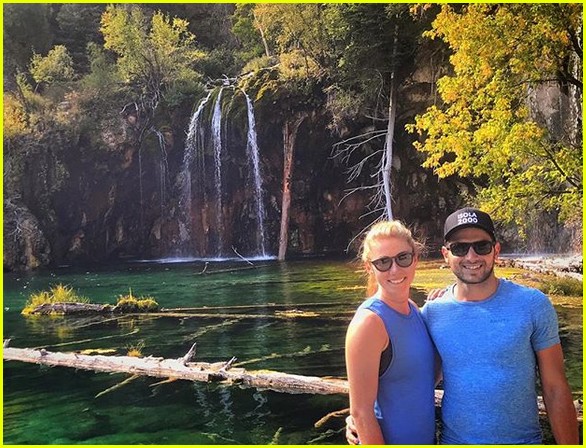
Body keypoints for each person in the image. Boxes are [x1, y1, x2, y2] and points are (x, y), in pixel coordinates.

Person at [346, 207, 579, 444]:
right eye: (459, 248)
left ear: (496, 250)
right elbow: (389, 389)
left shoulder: (533, 305)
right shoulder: (432, 313)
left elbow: (556, 389)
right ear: (446, 255)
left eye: (482, 246)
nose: (471, 256)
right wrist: (360, 418)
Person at [345, 220, 436, 444]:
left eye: (402, 258)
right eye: (383, 262)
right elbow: (361, 413)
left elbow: (419, 379)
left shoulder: (414, 310)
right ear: (369, 267)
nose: (395, 270)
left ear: (415, 259)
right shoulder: (369, 323)